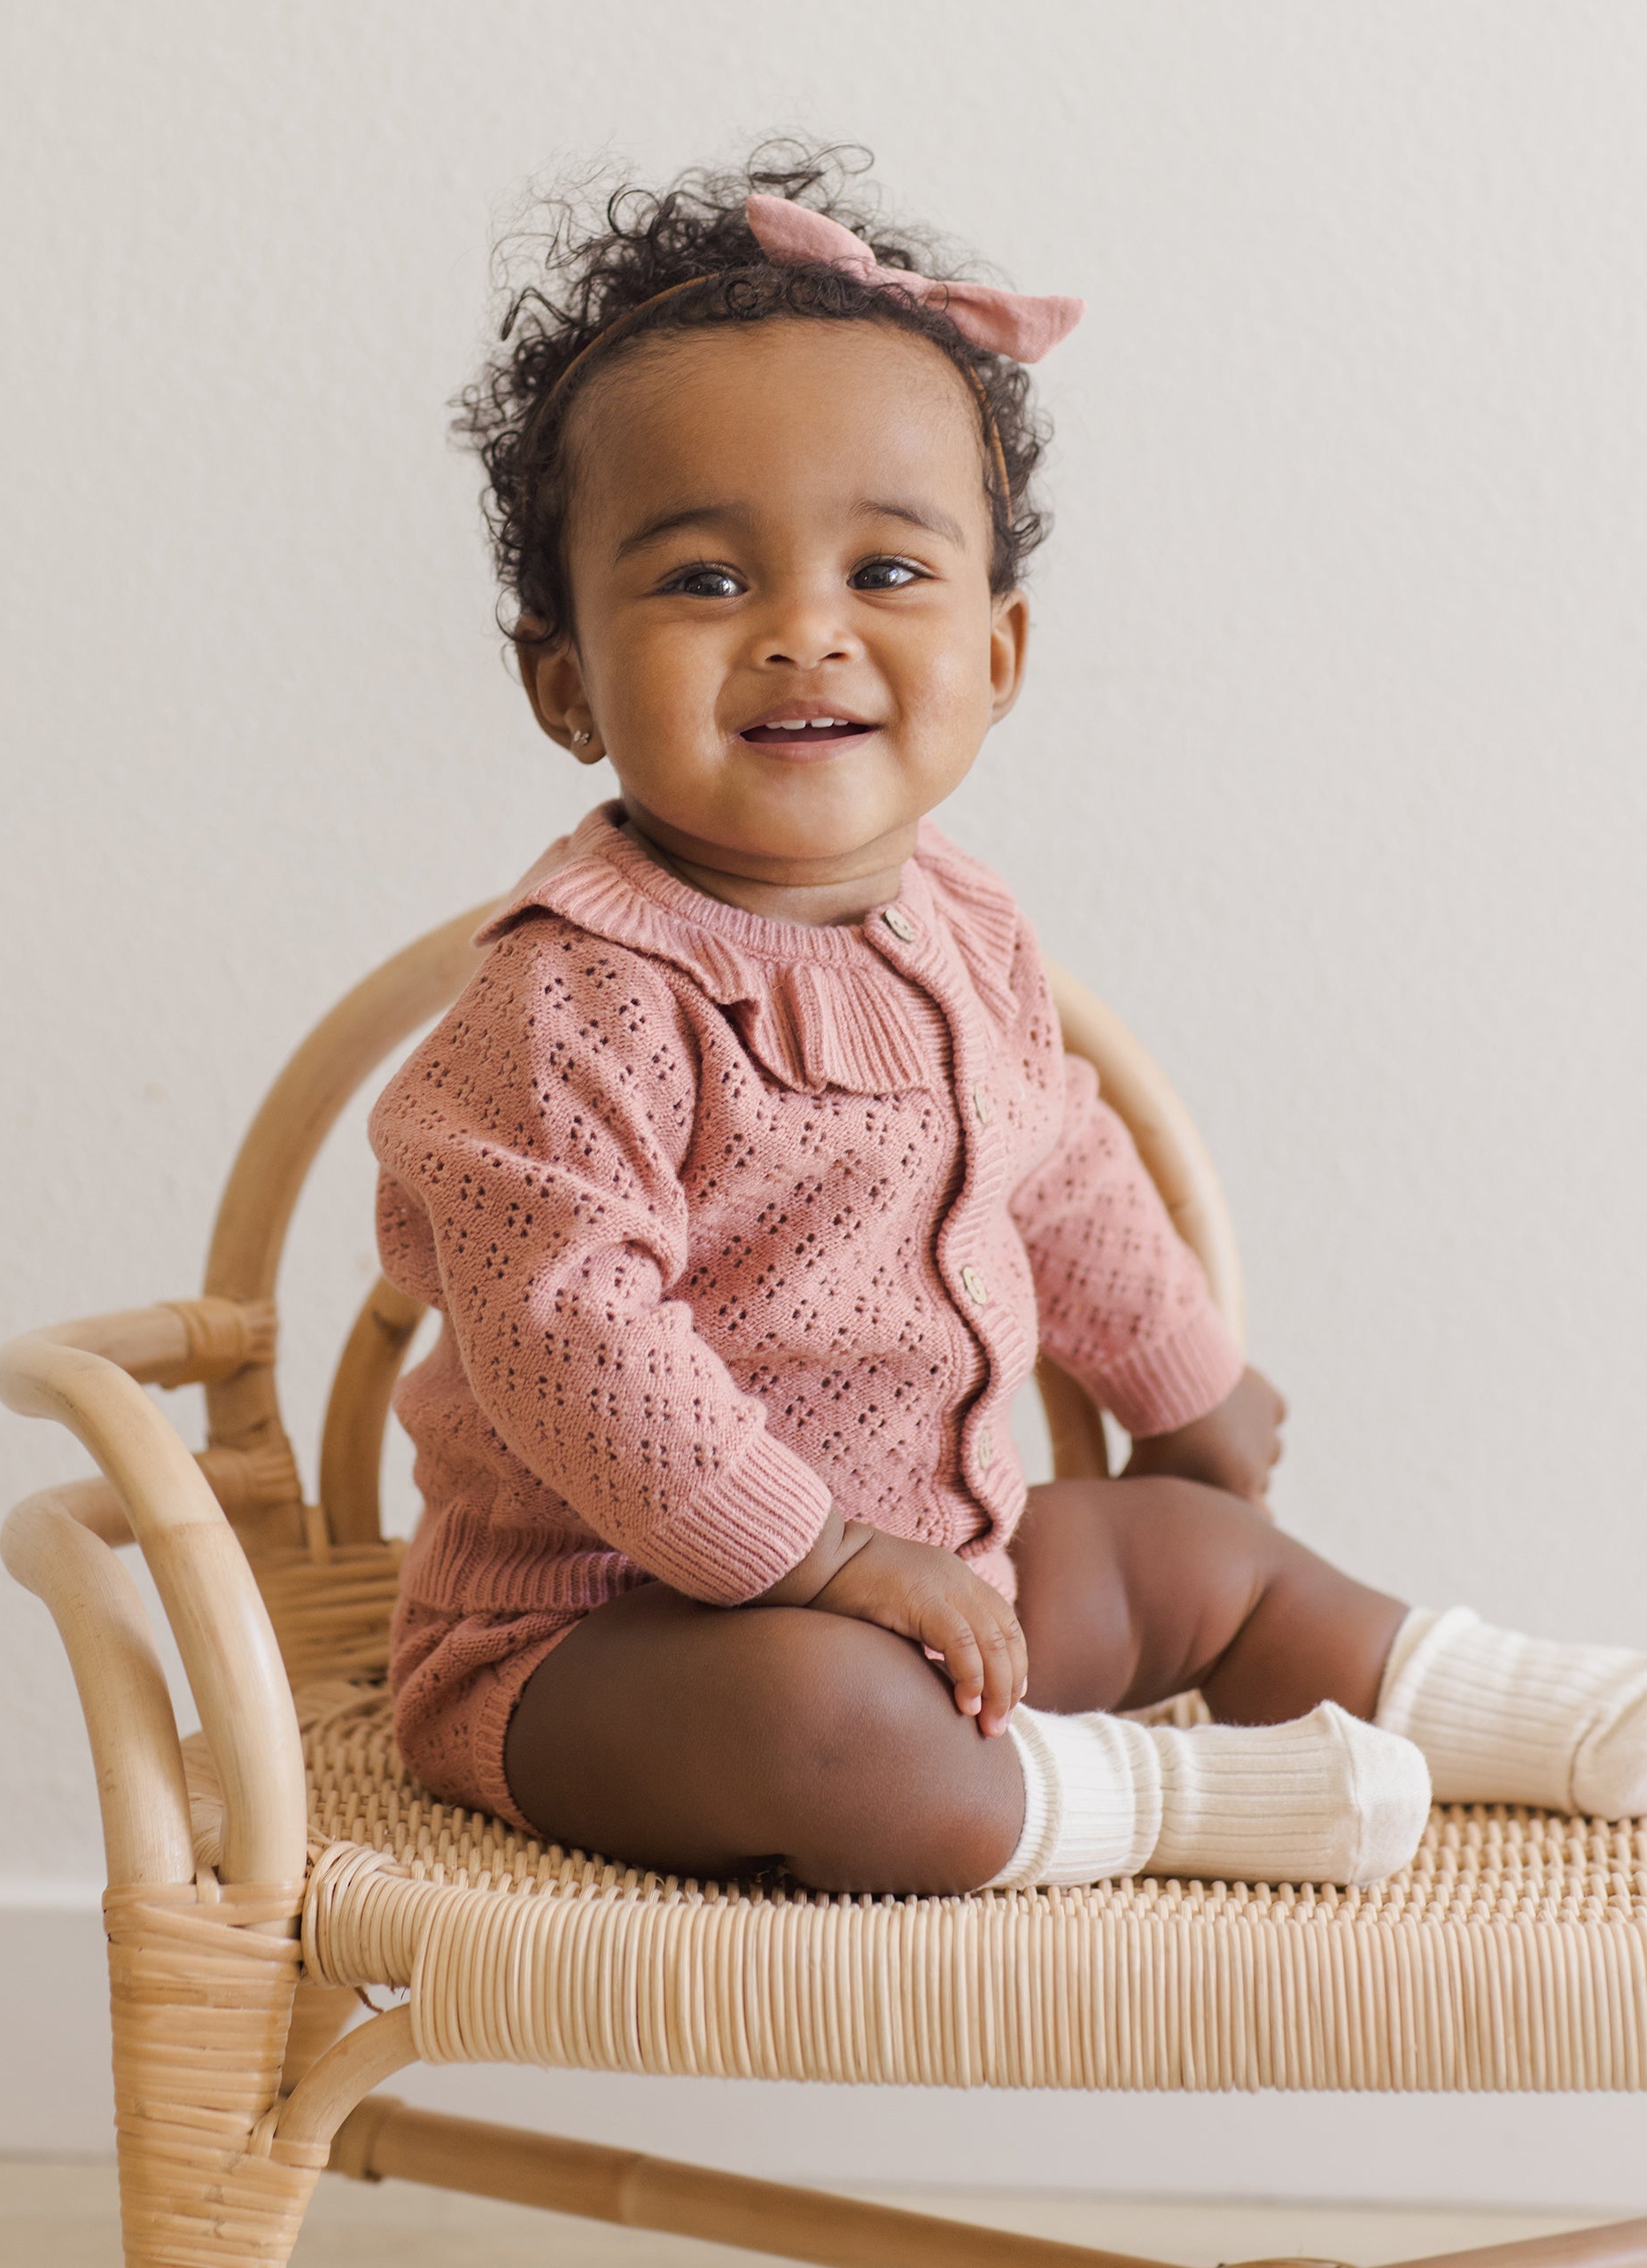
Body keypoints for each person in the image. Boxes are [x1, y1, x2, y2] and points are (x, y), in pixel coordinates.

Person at [369, 145, 1647, 1896]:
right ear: (565, 680)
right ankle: (1155, 1799)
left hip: (929, 1561)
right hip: (600, 1645)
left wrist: (1185, 1387)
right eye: (705, 581)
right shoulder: (573, 994)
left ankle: (1540, 1714)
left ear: (1000, 649)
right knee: (827, 1712)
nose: (803, 634)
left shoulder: (958, 922)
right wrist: (818, 1558)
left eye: (886, 572)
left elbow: (1055, 1157)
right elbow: (570, 1332)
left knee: (1198, 1552)